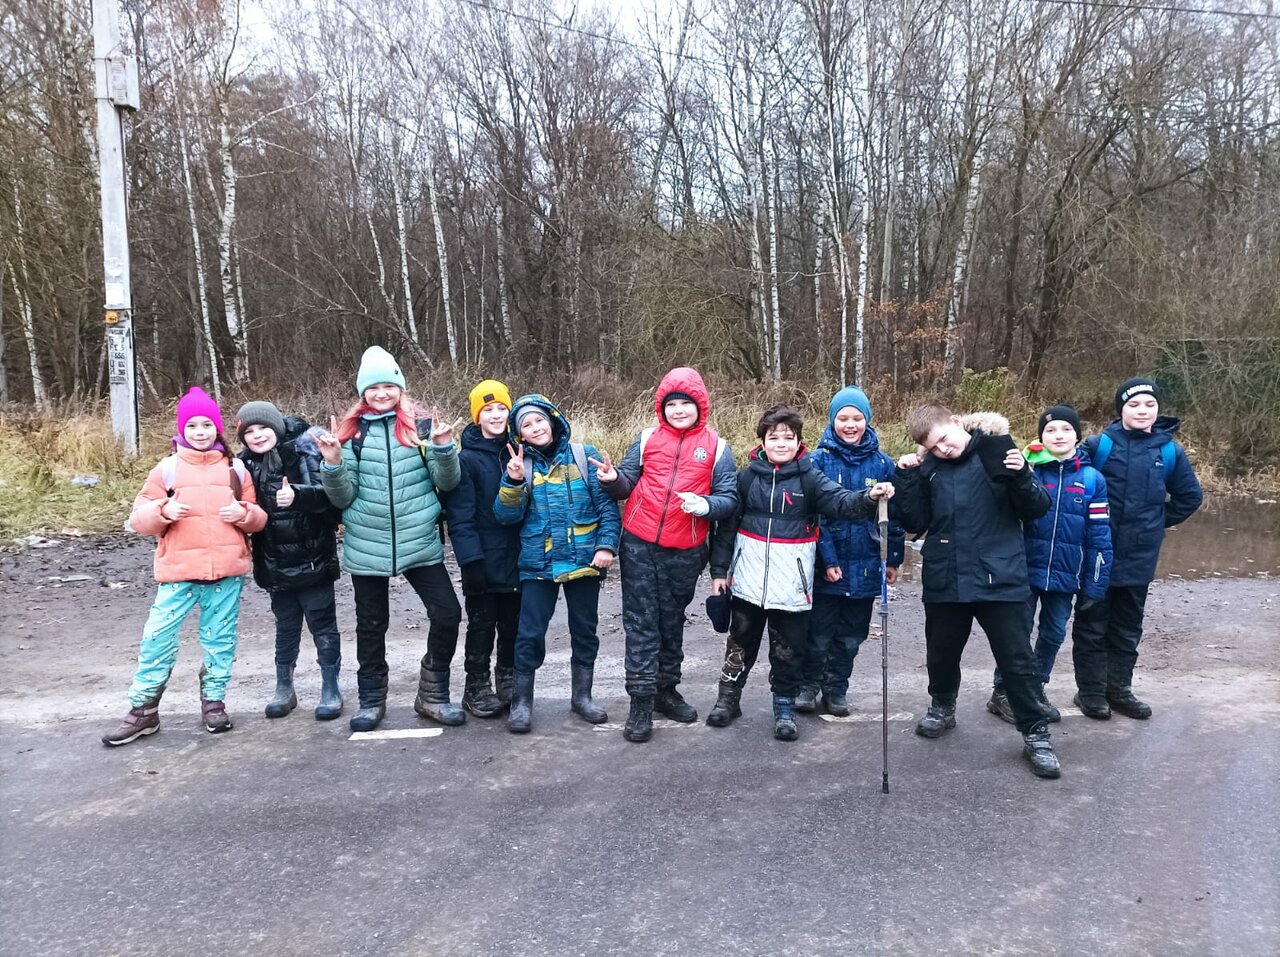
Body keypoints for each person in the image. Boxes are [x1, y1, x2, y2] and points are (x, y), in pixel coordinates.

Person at [705, 405, 893, 742]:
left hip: (792, 587)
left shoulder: (810, 478)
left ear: (798, 442)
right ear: (762, 441)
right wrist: (719, 571)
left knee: (788, 652)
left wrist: (868, 496)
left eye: (788, 438)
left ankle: (784, 708)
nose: (781, 443)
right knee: (739, 645)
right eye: (773, 437)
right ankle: (728, 699)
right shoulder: (746, 478)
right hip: (747, 584)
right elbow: (726, 530)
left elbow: (842, 502)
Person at [894, 404, 1062, 779]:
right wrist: (905, 478)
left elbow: (1036, 508)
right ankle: (942, 706)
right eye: (933, 447)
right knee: (941, 653)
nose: (942, 449)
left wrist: (1022, 476)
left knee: (1017, 661)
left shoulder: (998, 450)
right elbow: (915, 521)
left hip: (1000, 577)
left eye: (944, 439)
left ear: (956, 422)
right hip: (945, 577)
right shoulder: (929, 467)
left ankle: (1036, 734)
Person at [101, 387, 267, 746]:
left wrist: (243, 513)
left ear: (217, 428)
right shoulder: (167, 469)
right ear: (181, 429)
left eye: (207, 424)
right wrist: (163, 510)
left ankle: (214, 703)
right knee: (157, 639)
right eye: (192, 425)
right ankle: (143, 711)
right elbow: (138, 519)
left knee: (220, 640)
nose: (200, 432)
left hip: (226, 573)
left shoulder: (235, 469)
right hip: (178, 574)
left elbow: (258, 517)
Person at [317, 346, 462, 733]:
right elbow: (342, 498)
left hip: (419, 540)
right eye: (373, 387)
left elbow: (447, 483)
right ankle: (371, 700)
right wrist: (333, 463)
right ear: (363, 392)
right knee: (371, 626)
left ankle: (432, 695)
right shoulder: (351, 435)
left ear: (400, 388)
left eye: (388, 386)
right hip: (367, 544)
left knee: (447, 614)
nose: (381, 393)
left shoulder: (422, 428)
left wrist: (444, 448)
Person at [595, 367, 738, 742]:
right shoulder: (646, 439)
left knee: (671, 623)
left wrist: (706, 505)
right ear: (662, 407)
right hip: (639, 545)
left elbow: (729, 500)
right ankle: (641, 702)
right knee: (642, 623)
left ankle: (665, 691)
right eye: (671, 404)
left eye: (685, 404)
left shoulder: (718, 448)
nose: (678, 410)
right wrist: (612, 479)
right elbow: (626, 482)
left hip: (687, 552)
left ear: (700, 407)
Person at [1070, 378, 1203, 720]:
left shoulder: (1169, 451)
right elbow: (1071, 484)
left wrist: (1155, 522)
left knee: (1128, 626)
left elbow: (1190, 496)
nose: (1142, 411)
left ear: (1158, 409)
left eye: (1149, 404)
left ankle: (1119, 690)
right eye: (1134, 405)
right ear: (1121, 410)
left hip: (1140, 556)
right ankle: (1091, 693)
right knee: (1092, 624)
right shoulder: (1099, 446)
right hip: (1097, 554)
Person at [493, 394, 621, 735]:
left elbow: (607, 509)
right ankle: (521, 703)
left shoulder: (584, 455)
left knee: (585, 630)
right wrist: (512, 482)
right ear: (519, 434)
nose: (535, 428)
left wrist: (606, 545)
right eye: (526, 425)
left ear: (553, 421)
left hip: (585, 561)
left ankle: (582, 697)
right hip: (538, 564)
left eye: (539, 420)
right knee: (529, 634)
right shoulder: (520, 465)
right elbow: (506, 517)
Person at [986, 404, 1111, 724]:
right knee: (1016, 634)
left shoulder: (1092, 479)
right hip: (1024, 572)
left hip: (1066, 576)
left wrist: (1095, 585)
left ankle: (1035, 687)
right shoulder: (1027, 469)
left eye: (1066, 429)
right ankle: (1003, 690)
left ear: (1077, 436)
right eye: (1050, 430)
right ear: (1040, 437)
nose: (1059, 435)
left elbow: (1100, 536)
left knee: (1053, 634)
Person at [235, 401, 344, 721]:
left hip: (313, 560)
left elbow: (331, 501)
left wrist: (298, 494)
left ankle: (330, 687)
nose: (257, 436)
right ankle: (284, 687)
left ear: (277, 427)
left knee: (323, 625)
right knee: (285, 626)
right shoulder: (242, 464)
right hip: (274, 563)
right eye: (249, 432)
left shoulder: (303, 451)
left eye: (263, 428)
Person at [799, 386, 903, 717]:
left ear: (867, 420)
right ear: (832, 420)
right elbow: (814, 517)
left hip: (867, 564)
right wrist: (827, 559)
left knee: (851, 635)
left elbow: (894, 517)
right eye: (843, 418)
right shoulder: (817, 461)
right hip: (828, 566)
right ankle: (808, 685)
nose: (850, 425)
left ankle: (836, 688)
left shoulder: (883, 463)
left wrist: (893, 558)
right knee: (818, 632)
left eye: (857, 418)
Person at [440, 379, 521, 718]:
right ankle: (476, 686)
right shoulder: (466, 459)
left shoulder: (519, 450)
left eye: (502, 408)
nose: (496, 415)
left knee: (513, 625)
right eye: (488, 410)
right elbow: (460, 516)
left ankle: (508, 678)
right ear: (477, 416)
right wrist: (470, 561)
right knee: (482, 626)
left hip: (519, 558)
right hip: (484, 560)